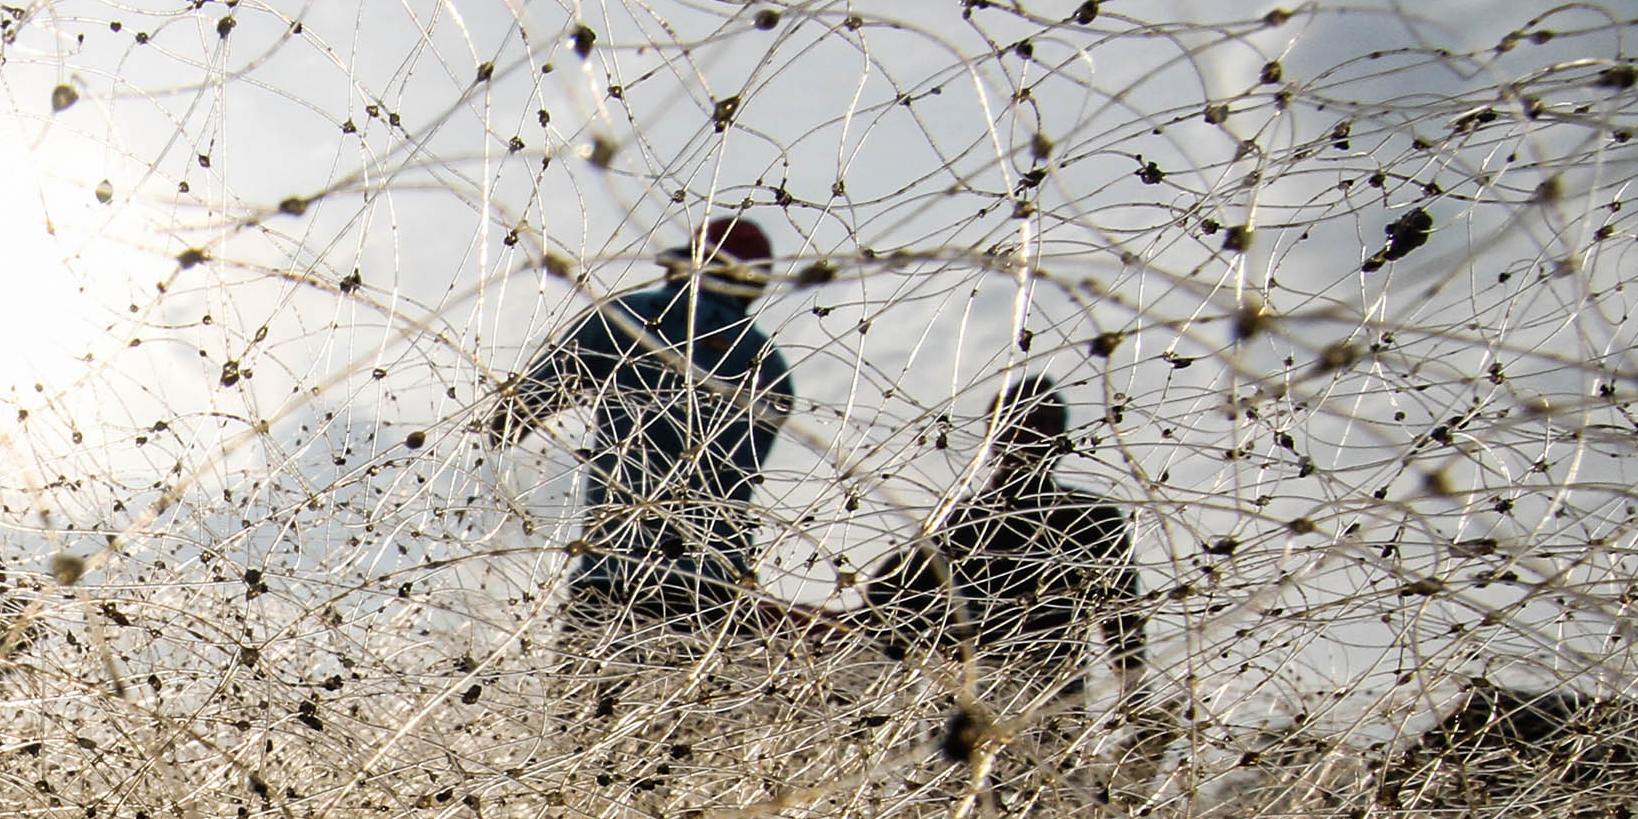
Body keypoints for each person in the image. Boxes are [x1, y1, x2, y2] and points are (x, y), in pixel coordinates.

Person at [485, 216, 798, 704]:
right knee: (674, 740)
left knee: (584, 727)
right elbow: (738, 479)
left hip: (615, 576)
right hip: (713, 591)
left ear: (683, 264)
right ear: (753, 285)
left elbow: (519, 410)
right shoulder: (770, 368)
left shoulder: (629, 319)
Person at [862, 373, 1147, 716]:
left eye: (1046, 424)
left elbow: (1122, 623)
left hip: (1050, 707)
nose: (1034, 434)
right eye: (1021, 422)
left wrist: (1138, 707)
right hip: (966, 708)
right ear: (993, 433)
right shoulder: (959, 520)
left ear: (1062, 437)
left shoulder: (1092, 519)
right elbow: (889, 601)